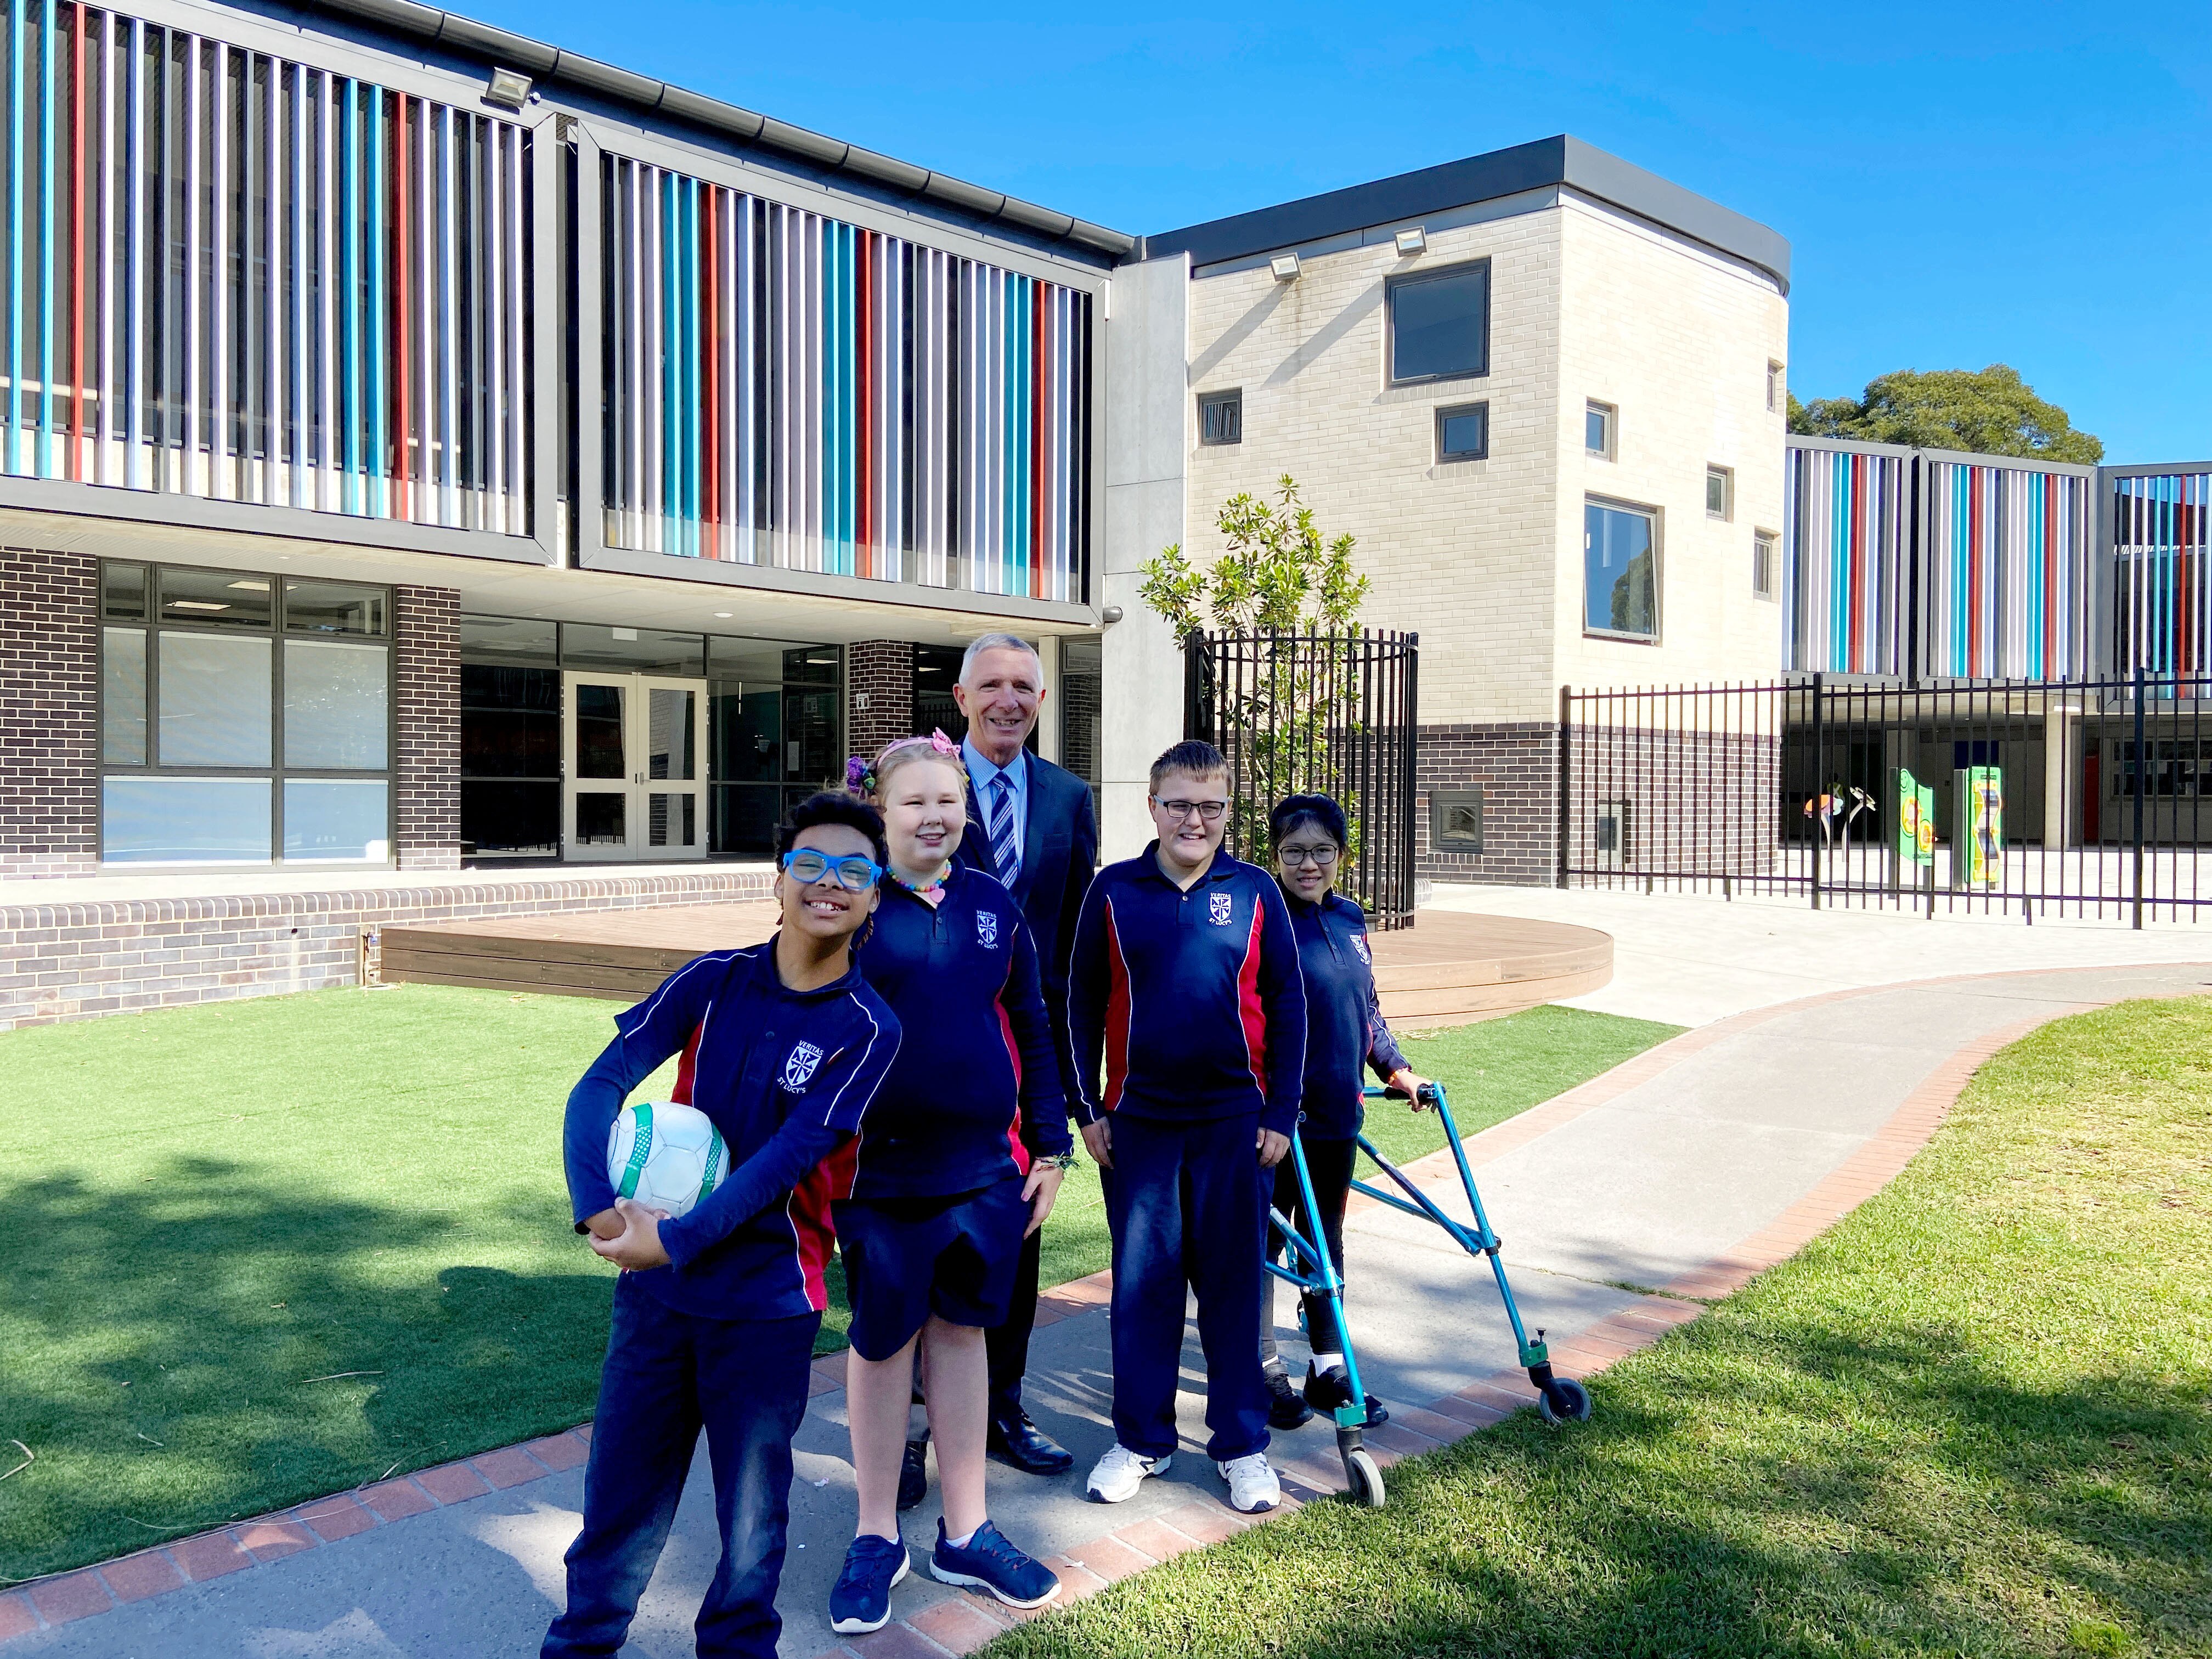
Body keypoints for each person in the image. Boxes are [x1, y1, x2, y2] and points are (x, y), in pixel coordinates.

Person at [545, 794, 900, 1659]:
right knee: (620, 1497)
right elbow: (600, 1084)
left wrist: (670, 1239)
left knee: (751, 1520)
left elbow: (785, 1162)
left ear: (875, 897)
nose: (829, 883)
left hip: (767, 1305)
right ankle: (582, 1643)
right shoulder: (712, 980)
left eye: (854, 870)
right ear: (778, 881)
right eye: (809, 864)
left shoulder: (869, 1029)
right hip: (658, 1298)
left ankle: (738, 1647)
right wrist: (597, 1207)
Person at [828, 733, 1072, 1634]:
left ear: (967, 810)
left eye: (947, 800)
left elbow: (1032, 1021)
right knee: (882, 1342)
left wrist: (1050, 1144)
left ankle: (965, 1531)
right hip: (878, 1172)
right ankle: (874, 1535)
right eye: (914, 801)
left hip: (982, 1169)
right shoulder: (850, 902)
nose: (933, 816)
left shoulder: (992, 904)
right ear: (881, 811)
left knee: (963, 1335)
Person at [1066, 740, 1307, 1515]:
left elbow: (1289, 1005)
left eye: (1210, 806)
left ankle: (1242, 1446)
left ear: (1228, 812)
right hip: (1139, 1127)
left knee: (1233, 1291)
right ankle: (1142, 1440)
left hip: (1236, 1127)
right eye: (1179, 805)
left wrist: (1281, 1112)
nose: (1194, 821)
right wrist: (1087, 1109)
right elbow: (1079, 1003)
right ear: (1153, 806)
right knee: (1144, 1290)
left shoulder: (1256, 890)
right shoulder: (1113, 891)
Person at [920, 631, 1099, 1486]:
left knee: (1019, 1232)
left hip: (1032, 1052)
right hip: (935, 1045)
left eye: (1023, 686)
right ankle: (914, 1424)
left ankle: (1002, 1405)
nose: (1008, 700)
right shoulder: (925, 786)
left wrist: (1075, 1081)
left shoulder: (1070, 797)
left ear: (1040, 699)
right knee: (924, 1233)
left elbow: (1077, 940)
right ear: (961, 699)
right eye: (991, 685)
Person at [1258, 792, 1433, 1432]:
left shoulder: (1351, 918)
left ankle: (1327, 1370)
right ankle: (1262, 1370)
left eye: (1322, 851)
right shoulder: (1261, 919)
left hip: (1336, 1116)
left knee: (1324, 1244)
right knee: (1262, 1244)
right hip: (1274, 1122)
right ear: (1275, 855)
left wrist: (1397, 1069)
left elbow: (1368, 1012)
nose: (1308, 864)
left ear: (1341, 856)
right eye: (1294, 851)